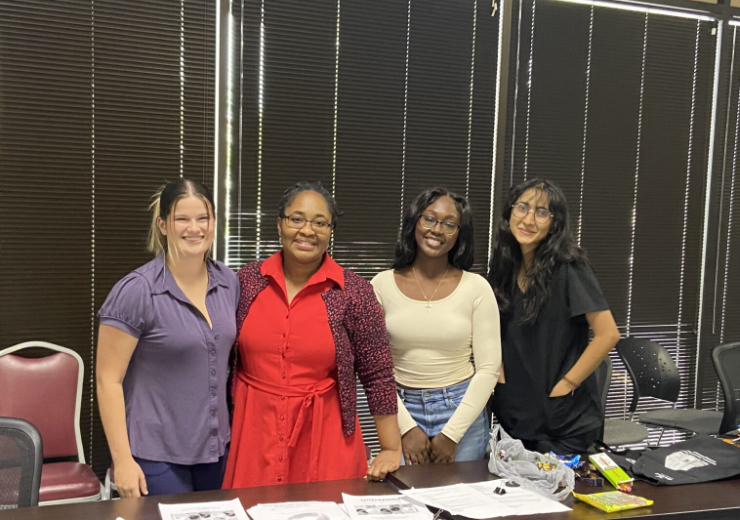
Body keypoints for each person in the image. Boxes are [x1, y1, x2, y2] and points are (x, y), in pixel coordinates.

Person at [222, 181, 401, 488]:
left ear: (330, 230)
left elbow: (378, 374)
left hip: (324, 436)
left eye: (320, 222)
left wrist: (390, 447)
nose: (308, 230)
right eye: (297, 219)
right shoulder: (248, 281)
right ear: (279, 224)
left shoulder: (354, 292)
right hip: (252, 432)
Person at [96, 178, 239, 497]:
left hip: (216, 452)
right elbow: (108, 380)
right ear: (163, 224)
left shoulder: (229, 283)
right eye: (182, 219)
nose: (195, 228)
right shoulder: (137, 290)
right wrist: (123, 460)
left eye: (203, 218)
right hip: (155, 457)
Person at [487, 178, 620, 454]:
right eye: (522, 207)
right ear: (510, 212)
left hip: (565, 421)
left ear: (554, 223)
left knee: (561, 495)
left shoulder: (570, 267)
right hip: (516, 415)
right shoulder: (503, 266)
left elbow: (608, 334)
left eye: (541, 212)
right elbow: (491, 327)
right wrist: (498, 373)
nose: (528, 219)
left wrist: (567, 384)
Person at [371, 187, 501, 464]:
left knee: (461, 504)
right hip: (401, 409)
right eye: (429, 219)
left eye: (449, 224)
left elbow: (489, 368)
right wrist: (406, 429)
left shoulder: (477, 288)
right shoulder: (380, 285)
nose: (437, 230)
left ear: (459, 233)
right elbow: (373, 369)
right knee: (405, 502)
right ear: (414, 222)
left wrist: (452, 434)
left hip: (461, 412)